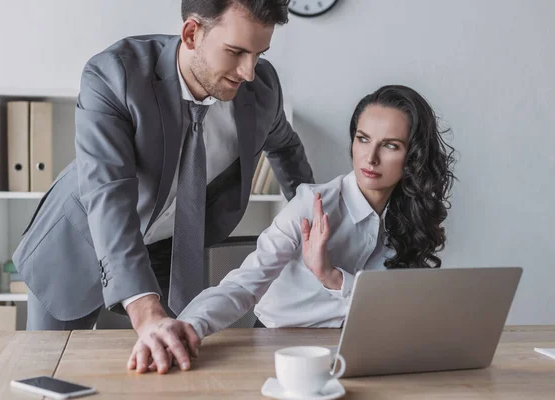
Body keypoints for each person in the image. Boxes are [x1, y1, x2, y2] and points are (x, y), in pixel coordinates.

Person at [12, 0, 313, 374]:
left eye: (259, 54)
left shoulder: (262, 89)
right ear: (191, 34)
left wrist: (314, 216)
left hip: (167, 254)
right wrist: (144, 309)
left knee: (168, 367)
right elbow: (109, 195)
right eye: (236, 52)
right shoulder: (115, 74)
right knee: (49, 375)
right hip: (77, 245)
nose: (249, 72)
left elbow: (284, 145)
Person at [178, 84, 456, 338]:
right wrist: (188, 326)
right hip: (279, 341)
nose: (370, 158)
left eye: (390, 145)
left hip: (360, 342)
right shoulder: (311, 204)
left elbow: (396, 305)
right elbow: (244, 284)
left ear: (414, 156)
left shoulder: (410, 217)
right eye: (363, 139)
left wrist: (331, 277)